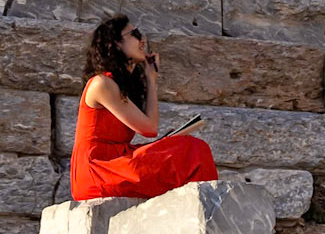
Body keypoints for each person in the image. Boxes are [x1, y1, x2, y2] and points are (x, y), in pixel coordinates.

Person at [69, 16, 218, 201]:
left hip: (116, 162)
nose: (143, 40)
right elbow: (149, 129)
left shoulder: (119, 85)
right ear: (115, 43)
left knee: (190, 150)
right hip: (97, 171)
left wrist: (150, 77)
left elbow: (149, 129)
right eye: (135, 34)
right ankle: (210, 208)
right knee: (193, 149)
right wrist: (151, 78)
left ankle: (201, 210)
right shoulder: (102, 83)